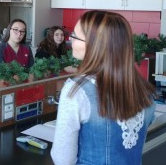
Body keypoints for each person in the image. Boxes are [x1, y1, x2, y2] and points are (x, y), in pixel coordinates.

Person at [51, 10, 156, 165]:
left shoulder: (77, 91)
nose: (69, 40)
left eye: (74, 35)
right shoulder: (144, 90)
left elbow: (62, 159)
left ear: (95, 45)